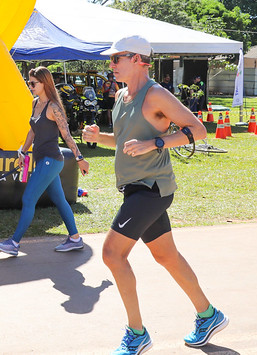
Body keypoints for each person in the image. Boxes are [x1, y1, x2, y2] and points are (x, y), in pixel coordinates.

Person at [83, 35, 228, 354]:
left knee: (112, 254)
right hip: (135, 188)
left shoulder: (156, 95)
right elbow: (124, 143)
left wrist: (157, 143)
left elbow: (199, 130)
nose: (111, 64)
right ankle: (209, 314)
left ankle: (137, 333)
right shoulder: (121, 97)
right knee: (166, 256)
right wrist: (99, 137)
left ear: (137, 59)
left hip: (152, 189)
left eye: (116, 58)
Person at [0, 66, 89, 256]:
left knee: (28, 198)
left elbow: (67, 135)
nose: (30, 86)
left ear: (44, 83)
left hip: (51, 160)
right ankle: (75, 238)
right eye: (29, 82)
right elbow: (32, 131)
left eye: (33, 83)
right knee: (59, 200)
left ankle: (14, 243)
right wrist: (23, 151)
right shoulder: (35, 103)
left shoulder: (53, 107)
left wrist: (80, 158)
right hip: (42, 160)